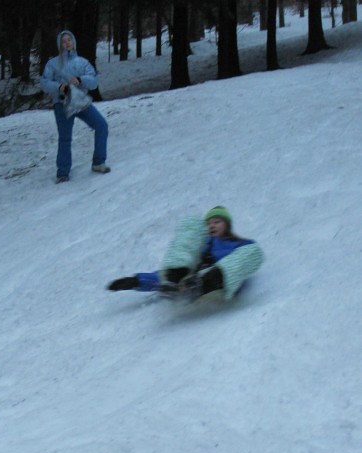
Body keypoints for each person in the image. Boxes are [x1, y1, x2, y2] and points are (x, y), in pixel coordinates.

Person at [107, 206, 264, 301]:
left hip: (222, 280)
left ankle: (197, 286)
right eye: (209, 223)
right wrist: (136, 281)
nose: (212, 225)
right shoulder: (200, 246)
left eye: (217, 222)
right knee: (192, 226)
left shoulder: (239, 245)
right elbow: (178, 259)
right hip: (192, 281)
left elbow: (244, 263)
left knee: (251, 250)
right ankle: (175, 282)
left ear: (227, 225)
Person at [40, 30, 110, 183]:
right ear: (59, 45)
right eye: (63, 41)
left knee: (101, 125)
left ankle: (98, 162)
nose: (67, 43)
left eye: (69, 40)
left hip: (81, 102)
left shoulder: (82, 62)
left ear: (74, 42)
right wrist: (59, 87)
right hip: (62, 104)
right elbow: (44, 83)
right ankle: (62, 173)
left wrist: (81, 79)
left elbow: (94, 81)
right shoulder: (52, 64)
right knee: (65, 138)